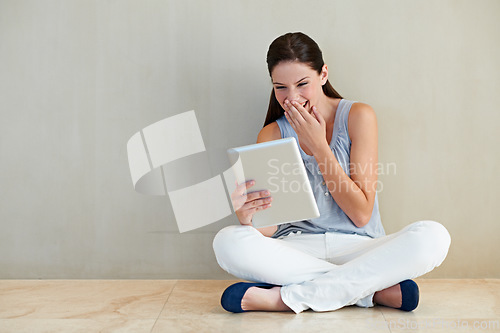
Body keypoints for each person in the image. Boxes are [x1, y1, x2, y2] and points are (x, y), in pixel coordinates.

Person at [213, 32, 451, 314]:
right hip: (297, 249)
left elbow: (361, 214)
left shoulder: (358, 116)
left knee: (434, 237)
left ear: (323, 74)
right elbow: (273, 227)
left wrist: (319, 147)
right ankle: (368, 291)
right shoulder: (271, 133)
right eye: (281, 88)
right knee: (228, 242)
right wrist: (249, 218)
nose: (292, 98)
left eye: (302, 84)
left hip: (360, 247)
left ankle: (286, 299)